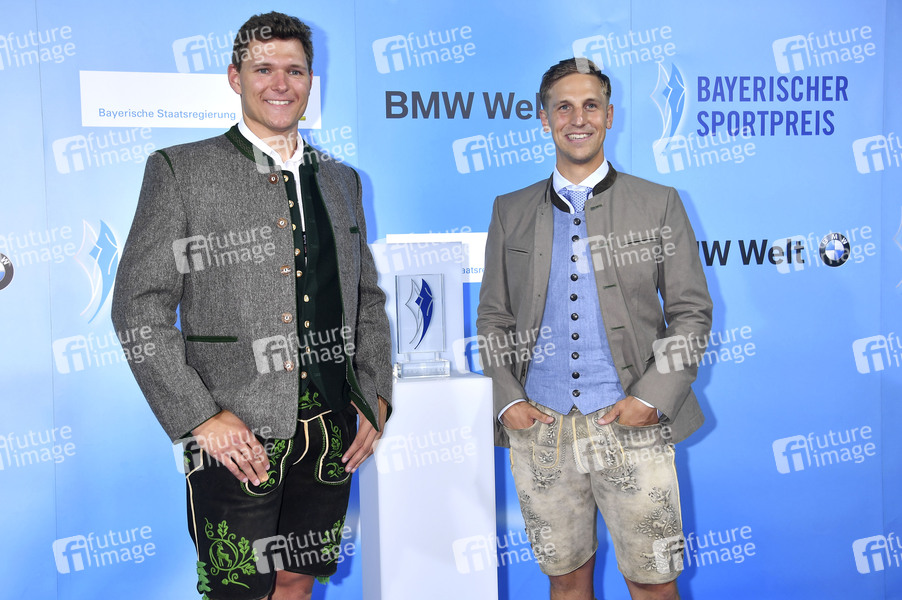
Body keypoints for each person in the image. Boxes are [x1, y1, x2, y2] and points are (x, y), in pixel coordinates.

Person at [111, 12, 392, 600]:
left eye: (295, 70)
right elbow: (138, 308)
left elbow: (366, 298)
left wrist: (374, 396)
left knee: (297, 582)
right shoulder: (180, 170)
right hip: (233, 434)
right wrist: (200, 418)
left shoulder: (342, 181)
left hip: (330, 430)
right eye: (263, 69)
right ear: (235, 77)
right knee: (238, 591)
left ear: (311, 79)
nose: (280, 84)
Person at [476, 57, 712, 600]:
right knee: (565, 581)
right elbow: (493, 317)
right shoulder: (510, 210)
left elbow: (692, 312)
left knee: (654, 583)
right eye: (563, 107)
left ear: (609, 115)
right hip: (541, 429)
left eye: (590, 106)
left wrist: (651, 399)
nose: (577, 118)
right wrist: (508, 400)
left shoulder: (658, 203)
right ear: (544, 118)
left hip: (633, 424)